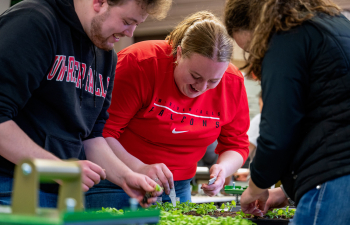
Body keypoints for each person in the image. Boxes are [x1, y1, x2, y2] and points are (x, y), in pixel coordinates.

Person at [0, 0, 171, 208]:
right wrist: (58, 168)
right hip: (12, 186)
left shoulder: (106, 54)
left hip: (63, 190)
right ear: (98, 2)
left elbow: (91, 138)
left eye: (137, 24)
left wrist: (126, 176)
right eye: (127, 21)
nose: (130, 32)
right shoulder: (34, 22)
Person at [85, 11, 250, 209]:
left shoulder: (233, 81)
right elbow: (99, 133)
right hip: (114, 181)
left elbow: (236, 143)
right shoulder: (139, 63)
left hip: (178, 187)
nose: (202, 87)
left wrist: (223, 168)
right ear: (179, 54)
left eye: (214, 81)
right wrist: (139, 168)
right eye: (195, 75)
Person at [224, 0, 350, 224]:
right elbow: (321, 116)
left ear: (258, 24)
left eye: (254, 49)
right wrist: (286, 191)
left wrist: (254, 189)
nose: (257, 58)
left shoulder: (286, 36)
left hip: (333, 177)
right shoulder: (334, 24)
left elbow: (277, 133)